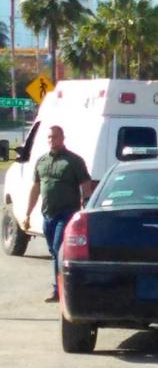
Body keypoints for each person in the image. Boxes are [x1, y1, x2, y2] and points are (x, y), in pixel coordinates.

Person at [23, 126, 92, 302]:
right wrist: (27, 213)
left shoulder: (73, 161)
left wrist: (86, 206)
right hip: (48, 214)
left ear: (62, 138)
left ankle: (59, 290)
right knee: (55, 253)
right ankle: (61, 286)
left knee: (57, 248)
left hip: (67, 213)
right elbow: (36, 188)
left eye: (55, 137)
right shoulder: (42, 161)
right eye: (49, 137)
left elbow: (85, 184)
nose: (51, 140)